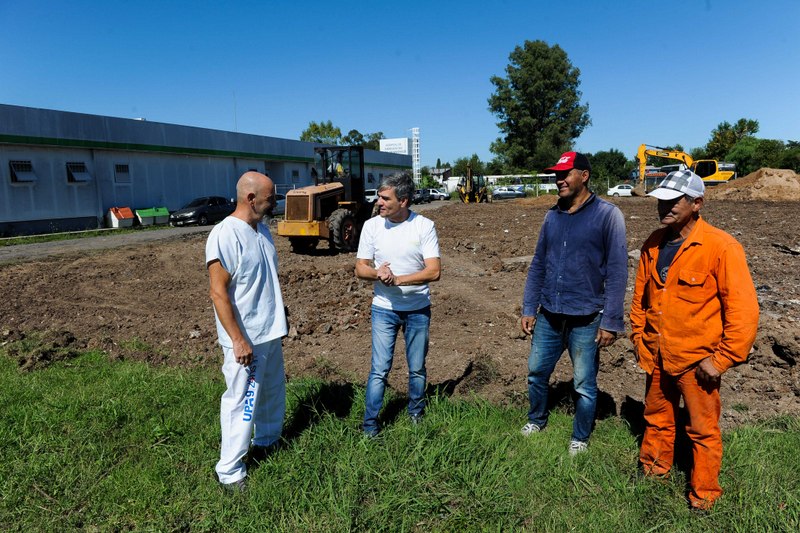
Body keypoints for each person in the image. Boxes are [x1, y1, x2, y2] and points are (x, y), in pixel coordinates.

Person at [630, 170, 759, 510]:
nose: (664, 206)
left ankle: (703, 496)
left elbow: (744, 312)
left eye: (674, 201)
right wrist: (638, 338)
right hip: (656, 354)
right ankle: (653, 471)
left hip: (697, 362)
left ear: (697, 203)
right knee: (656, 418)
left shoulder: (721, 247)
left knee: (702, 430)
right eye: (662, 200)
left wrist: (720, 360)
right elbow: (640, 298)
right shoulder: (653, 243)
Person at [520, 152, 628, 455]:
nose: (560, 180)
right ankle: (537, 419)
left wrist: (611, 321)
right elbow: (538, 263)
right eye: (557, 174)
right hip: (549, 315)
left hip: (587, 317)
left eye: (566, 173)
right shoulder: (552, 216)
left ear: (584, 176)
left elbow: (618, 271)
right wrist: (529, 307)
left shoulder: (608, 215)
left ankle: (580, 437)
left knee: (583, 383)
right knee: (536, 372)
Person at [206, 171, 288, 490]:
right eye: (269, 199)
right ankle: (229, 470)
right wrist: (237, 339)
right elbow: (217, 292)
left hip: (269, 333)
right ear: (250, 199)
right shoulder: (225, 235)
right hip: (246, 340)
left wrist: (281, 315)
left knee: (271, 393)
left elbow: (266, 280)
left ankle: (267, 441)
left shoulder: (263, 231)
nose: (273, 203)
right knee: (243, 402)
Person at [355, 173, 441, 436]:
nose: (378, 202)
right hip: (383, 309)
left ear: (403, 201)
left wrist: (397, 279)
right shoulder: (372, 226)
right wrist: (378, 274)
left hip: (417, 309)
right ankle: (370, 425)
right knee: (379, 369)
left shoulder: (423, 226)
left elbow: (434, 271)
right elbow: (360, 268)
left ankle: (416, 413)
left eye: (384, 198)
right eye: (379, 197)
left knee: (416, 368)